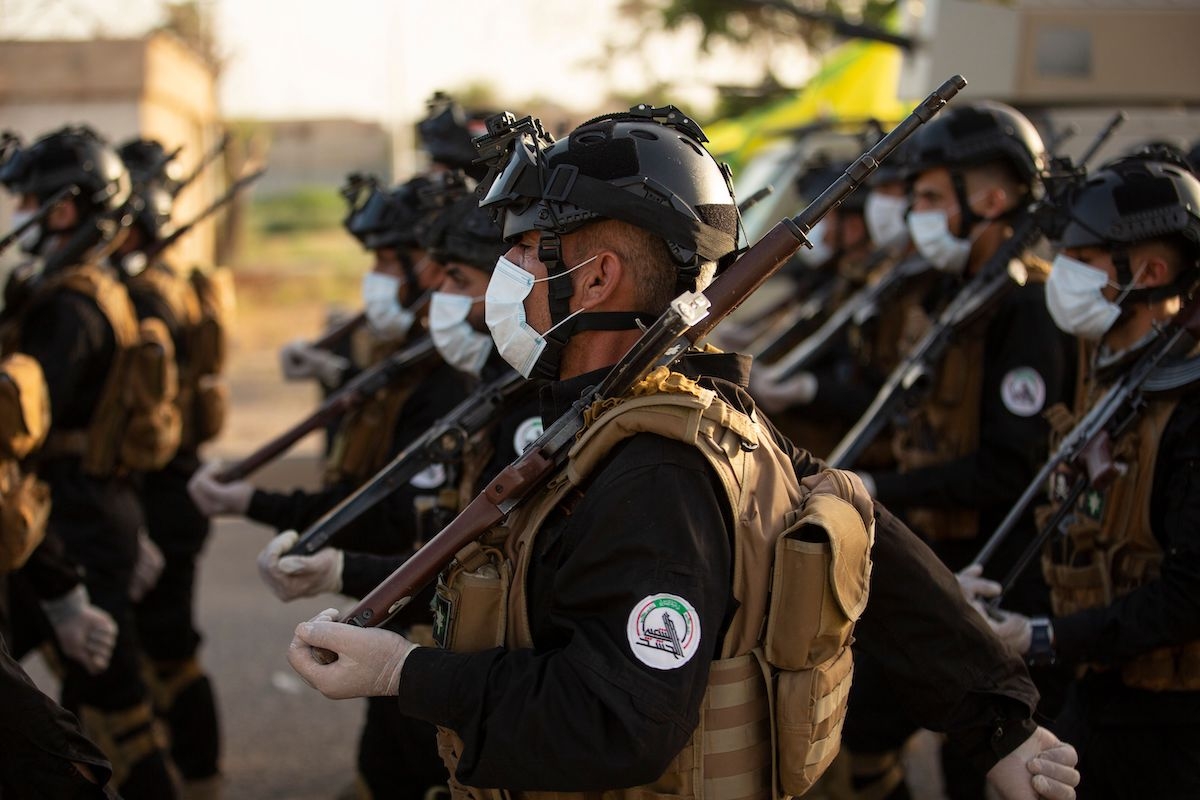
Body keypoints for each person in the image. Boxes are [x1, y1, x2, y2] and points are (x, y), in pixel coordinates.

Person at [285, 104, 1079, 800]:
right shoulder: (652, 416)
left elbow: (618, 722)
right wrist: (1000, 721)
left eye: (525, 250)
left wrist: (402, 673)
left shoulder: (655, 471)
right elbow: (873, 535)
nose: (506, 273)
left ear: (594, 280)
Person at [189, 172, 474, 800]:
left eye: (457, 277)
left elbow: (406, 528)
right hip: (405, 630)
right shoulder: (422, 367)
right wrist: (256, 505)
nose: (377, 276)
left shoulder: (454, 386)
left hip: (435, 647)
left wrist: (331, 566)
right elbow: (366, 491)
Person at [968, 156, 1200, 799]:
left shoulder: (1189, 409)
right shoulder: (1118, 372)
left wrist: (1041, 636)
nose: (1061, 272)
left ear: (1148, 272)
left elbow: (1188, 593)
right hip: (1094, 690)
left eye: (1084, 258)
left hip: (1169, 725)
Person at [0, 125, 179, 799]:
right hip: (96, 507)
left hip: (69, 511)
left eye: (29, 199)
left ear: (67, 208)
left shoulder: (70, 307)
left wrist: (62, 580)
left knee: (107, 709)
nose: (20, 213)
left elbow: (26, 430)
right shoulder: (95, 288)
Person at [115, 136, 228, 799]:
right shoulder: (182, 285)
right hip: (180, 480)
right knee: (171, 645)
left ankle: (194, 774)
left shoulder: (147, 297)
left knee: (164, 649)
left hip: (158, 489)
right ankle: (200, 772)